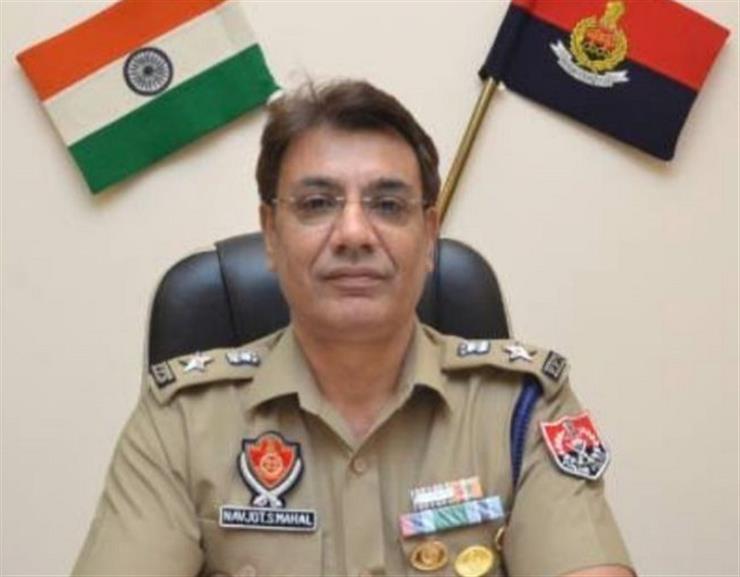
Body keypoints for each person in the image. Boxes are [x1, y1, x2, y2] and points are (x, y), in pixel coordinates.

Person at [73, 80, 634, 577]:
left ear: (429, 235)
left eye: (387, 205)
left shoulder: (524, 409)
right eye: (318, 203)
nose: (354, 233)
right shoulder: (182, 420)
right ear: (271, 233)